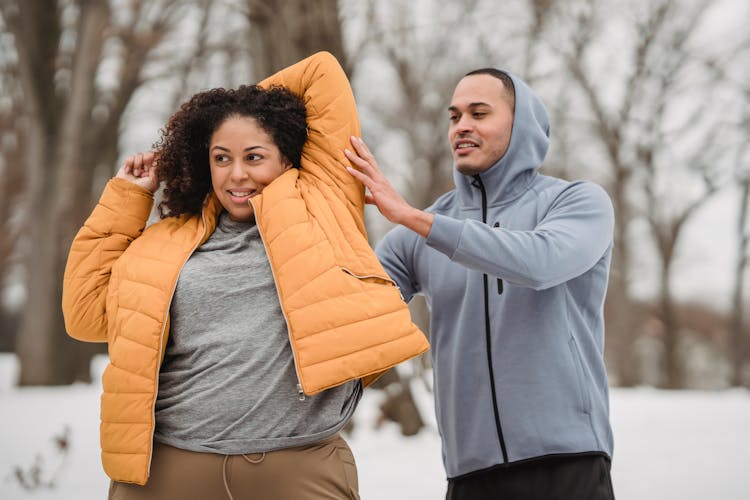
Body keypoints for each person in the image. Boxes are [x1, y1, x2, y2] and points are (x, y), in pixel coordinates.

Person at [62, 51, 428, 500]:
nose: (238, 174)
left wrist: (236, 109)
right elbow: (84, 314)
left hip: (297, 470)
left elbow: (320, 72)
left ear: (287, 160)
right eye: (221, 157)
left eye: (254, 156)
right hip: (169, 471)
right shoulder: (163, 244)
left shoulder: (324, 207)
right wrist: (127, 198)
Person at [345, 67, 616, 499]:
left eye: (479, 112)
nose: (462, 126)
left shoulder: (576, 202)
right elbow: (353, 310)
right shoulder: (416, 236)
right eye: (454, 116)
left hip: (568, 463)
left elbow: (540, 262)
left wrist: (416, 219)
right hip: (470, 476)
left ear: (520, 122)